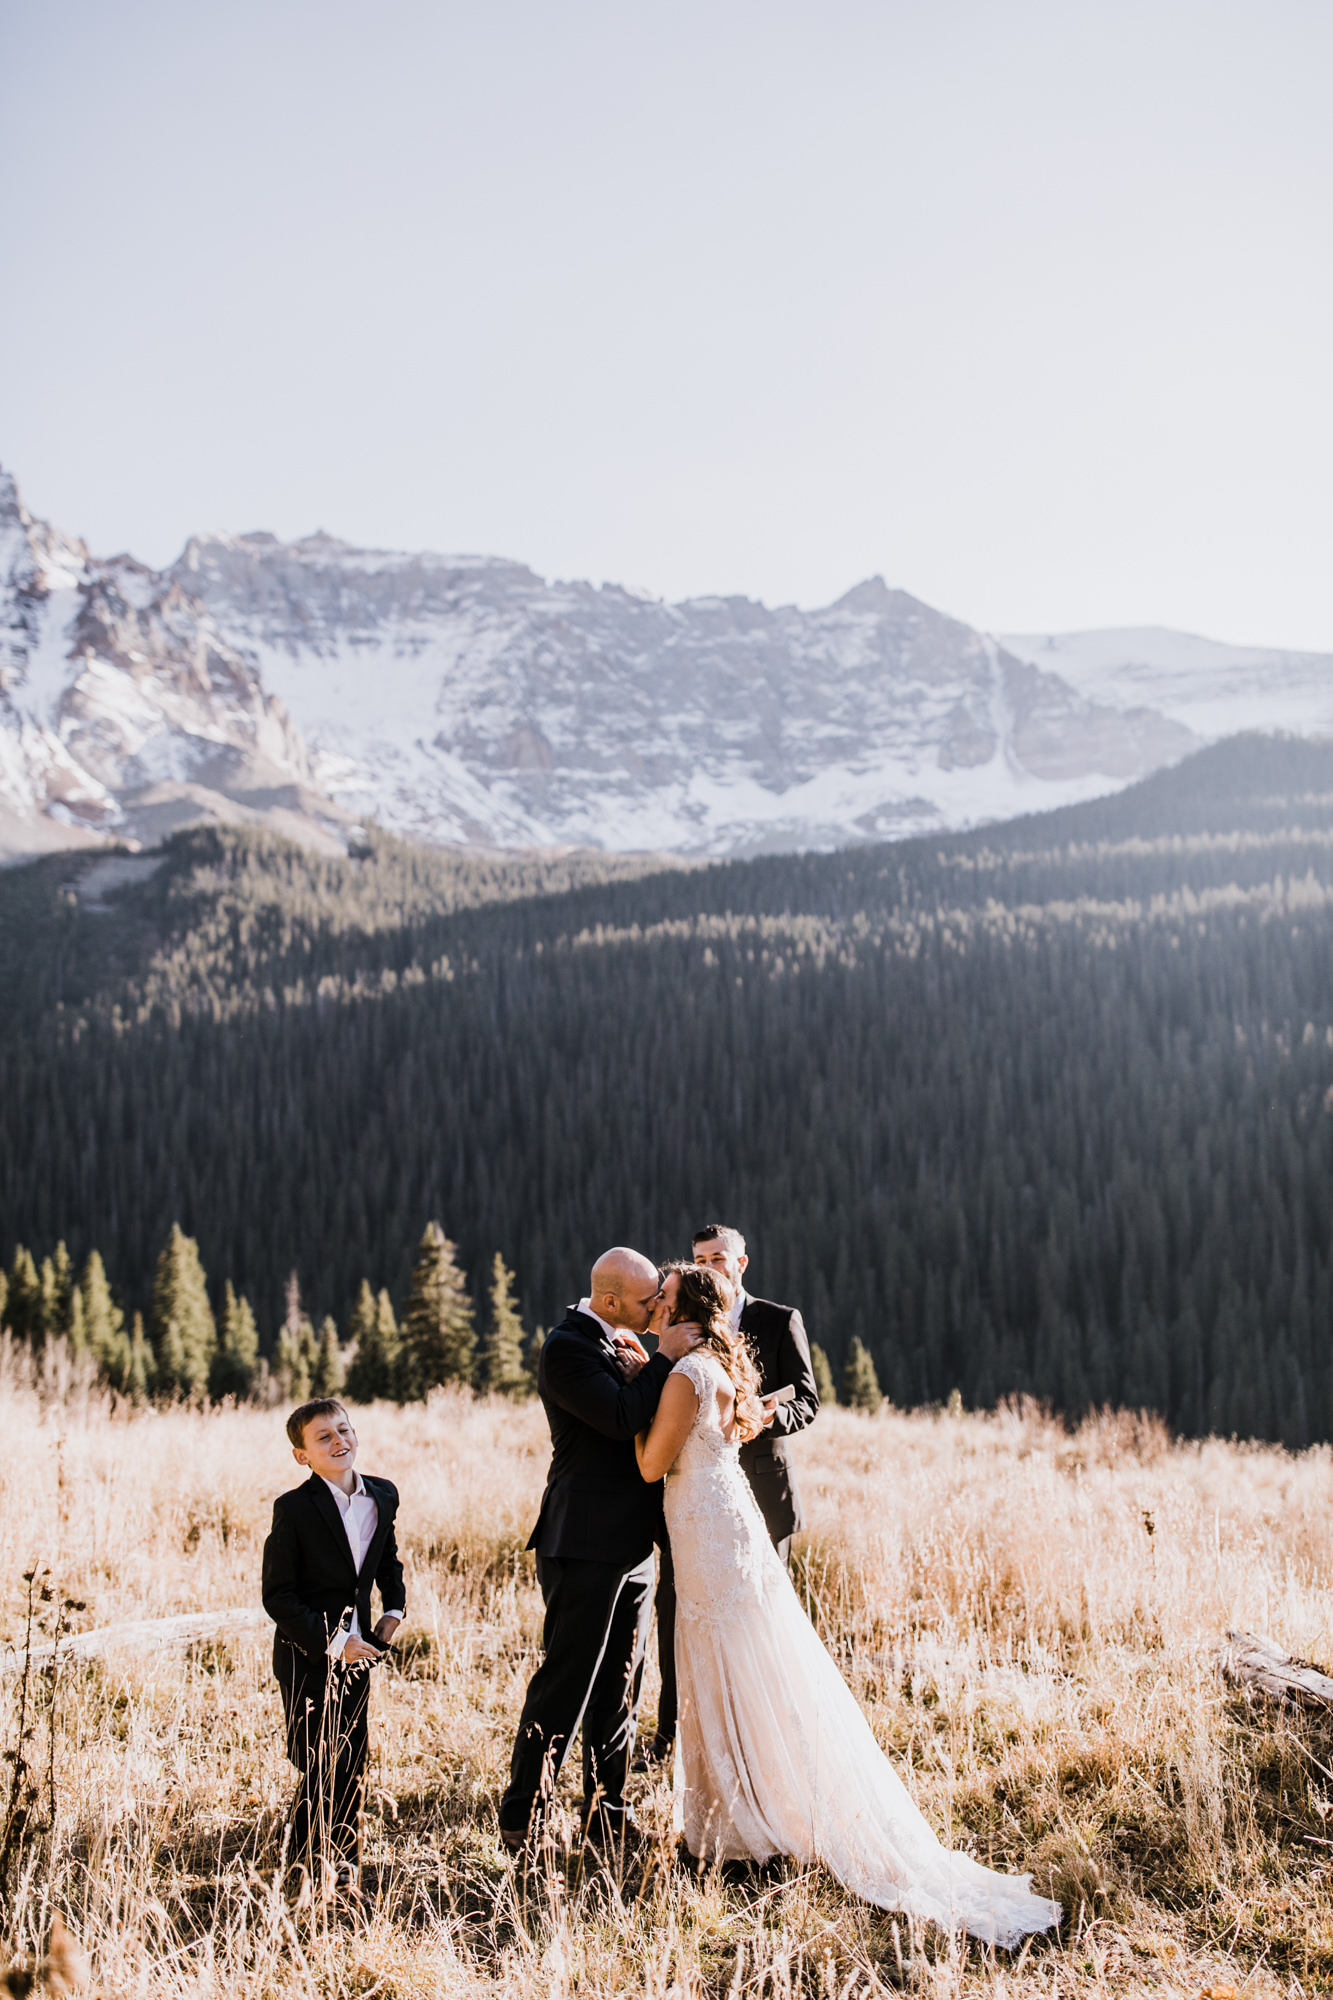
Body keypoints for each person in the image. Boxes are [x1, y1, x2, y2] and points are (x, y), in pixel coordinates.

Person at [634, 1266, 1061, 1949]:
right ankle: (743, 1813)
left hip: (706, 1531)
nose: (651, 1305)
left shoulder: (683, 1374)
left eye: (660, 1298)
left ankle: (737, 1827)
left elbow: (650, 1464)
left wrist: (644, 1380)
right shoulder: (715, 1365)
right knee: (741, 1663)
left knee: (717, 1663)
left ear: (684, 1310)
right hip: (722, 1523)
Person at [498, 1246, 700, 1855]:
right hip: (582, 1543)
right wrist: (664, 1360)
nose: (655, 1311)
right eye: (646, 1302)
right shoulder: (567, 1348)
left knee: (621, 1682)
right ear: (610, 1302)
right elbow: (618, 1418)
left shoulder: (623, 1344)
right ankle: (522, 1814)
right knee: (568, 1682)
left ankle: (605, 1809)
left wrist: (650, 1364)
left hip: (634, 1544)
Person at [640, 1224, 819, 1767]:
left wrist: (755, 1419)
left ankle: (758, 1733)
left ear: (740, 1264)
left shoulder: (778, 1320)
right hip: (695, 1502)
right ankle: (675, 1733)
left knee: (757, 1624)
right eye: (701, 1258)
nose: (709, 1265)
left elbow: (806, 1401)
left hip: (755, 1488)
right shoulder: (688, 1353)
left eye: (718, 1257)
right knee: (681, 1616)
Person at [261, 1398, 405, 1902]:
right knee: (319, 1759)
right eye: (323, 1437)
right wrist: (333, 1641)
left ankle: (344, 1867)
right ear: (302, 1456)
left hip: (361, 1652)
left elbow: (387, 1560)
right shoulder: (294, 1509)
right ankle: (300, 1867)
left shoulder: (381, 1496)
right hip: (308, 1651)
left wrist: (395, 1610)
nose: (338, 1440)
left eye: (343, 1429)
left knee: (352, 1756)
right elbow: (277, 1595)